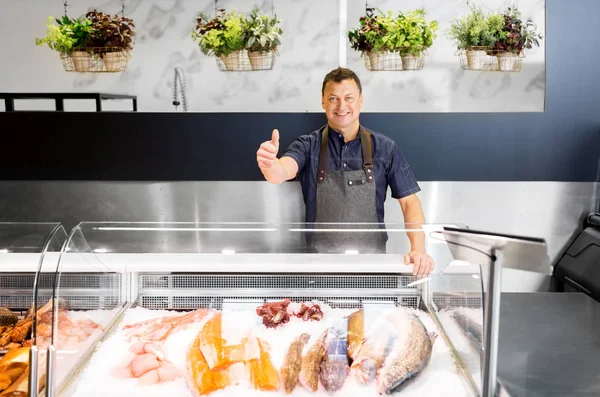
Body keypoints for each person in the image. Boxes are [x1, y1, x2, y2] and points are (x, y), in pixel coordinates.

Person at [256, 67, 434, 276]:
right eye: (333, 98)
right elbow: (281, 171)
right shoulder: (307, 145)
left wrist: (418, 249)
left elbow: (409, 202)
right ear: (323, 101)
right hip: (318, 269)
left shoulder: (385, 148)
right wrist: (269, 164)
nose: (342, 106)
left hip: (374, 269)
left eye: (349, 97)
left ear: (361, 100)